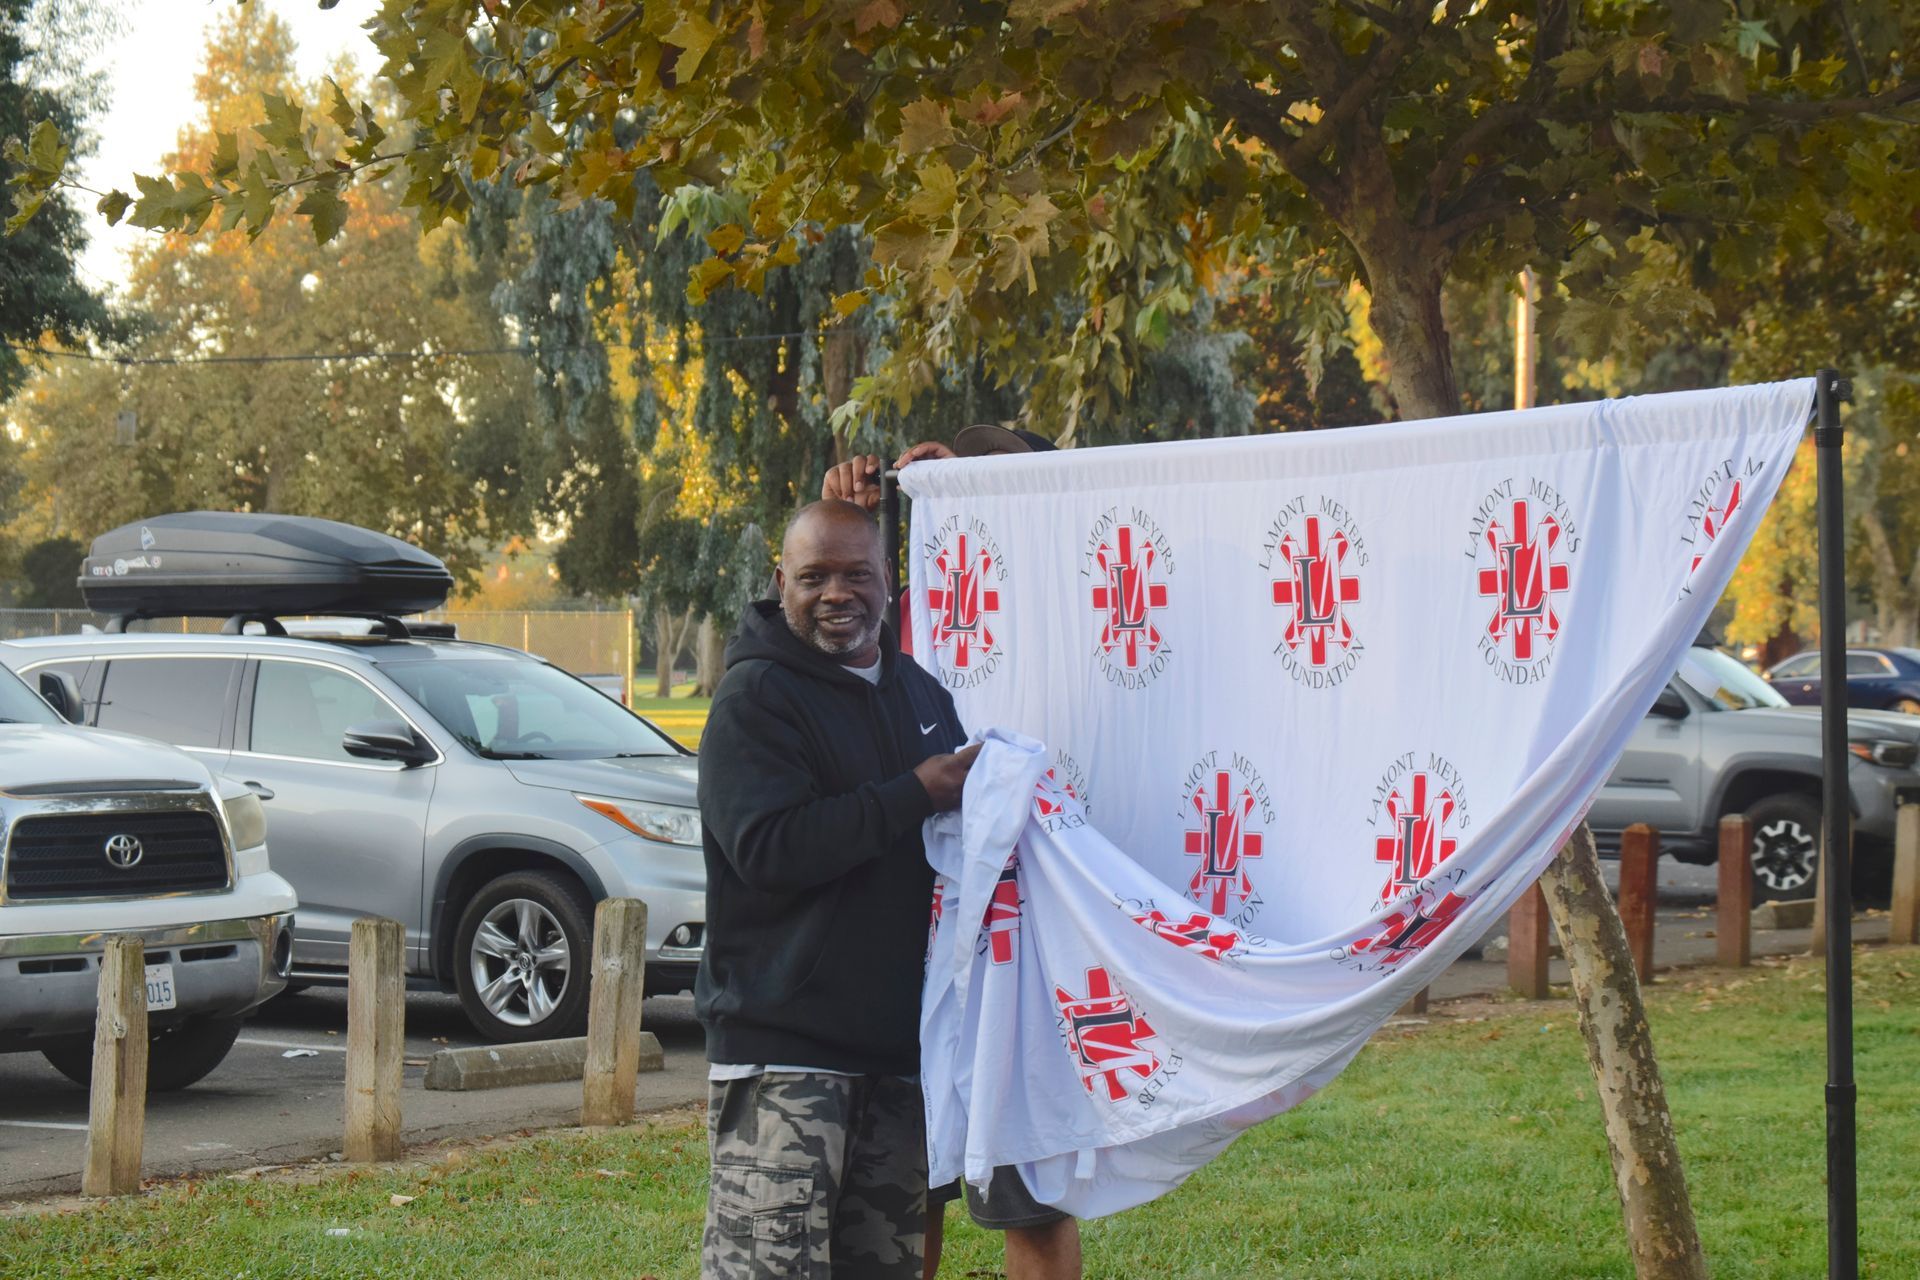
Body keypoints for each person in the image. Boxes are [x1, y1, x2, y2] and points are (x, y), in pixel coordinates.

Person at [823, 429, 1086, 1280]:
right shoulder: (908, 623)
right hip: (906, 948)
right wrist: (851, 516)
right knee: (903, 1200)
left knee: (1028, 1197)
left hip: (1021, 964)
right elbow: (816, 638)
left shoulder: (1074, 614)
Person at [696, 499, 981, 1279]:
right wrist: (913, 793)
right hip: (786, 1058)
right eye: (814, 576)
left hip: (897, 1056)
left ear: (889, 581)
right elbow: (769, 848)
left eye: (857, 574)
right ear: (778, 580)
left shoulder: (923, 695)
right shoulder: (754, 699)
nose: (836, 594)